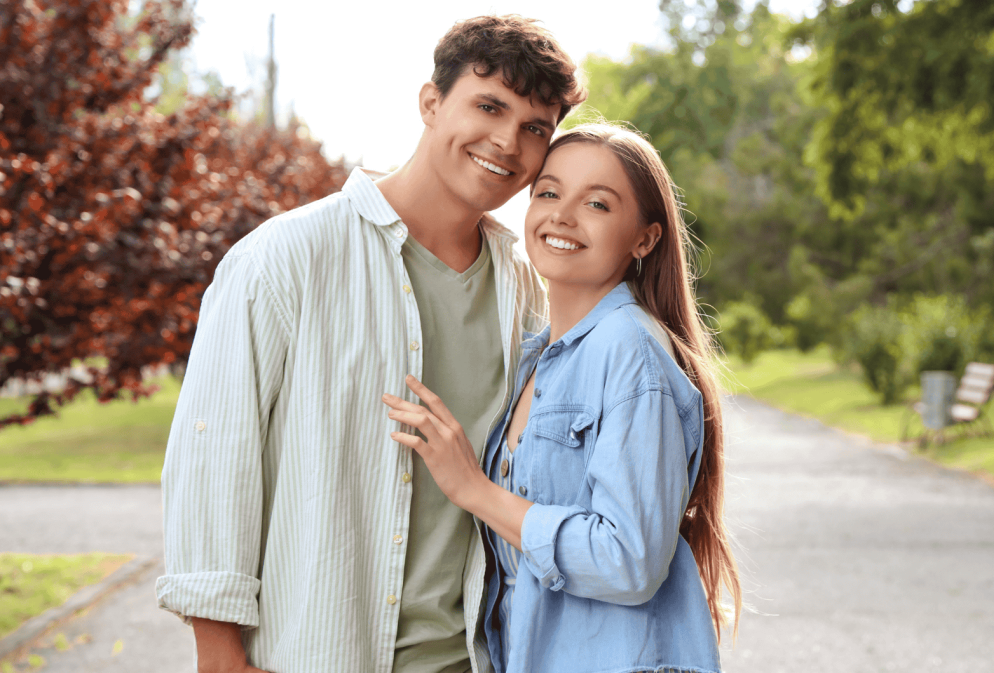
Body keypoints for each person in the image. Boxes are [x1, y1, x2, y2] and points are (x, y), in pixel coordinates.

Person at [156, 15, 585, 673]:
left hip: (473, 656)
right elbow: (216, 458)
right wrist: (219, 656)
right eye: (490, 106)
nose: (508, 141)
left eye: (534, 127)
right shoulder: (285, 258)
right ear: (431, 103)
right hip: (320, 651)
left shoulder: (526, 289)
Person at [382, 123, 743, 673]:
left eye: (597, 203)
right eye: (549, 192)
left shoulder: (628, 349)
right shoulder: (538, 355)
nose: (562, 215)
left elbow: (629, 561)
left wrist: (473, 490)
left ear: (644, 238)